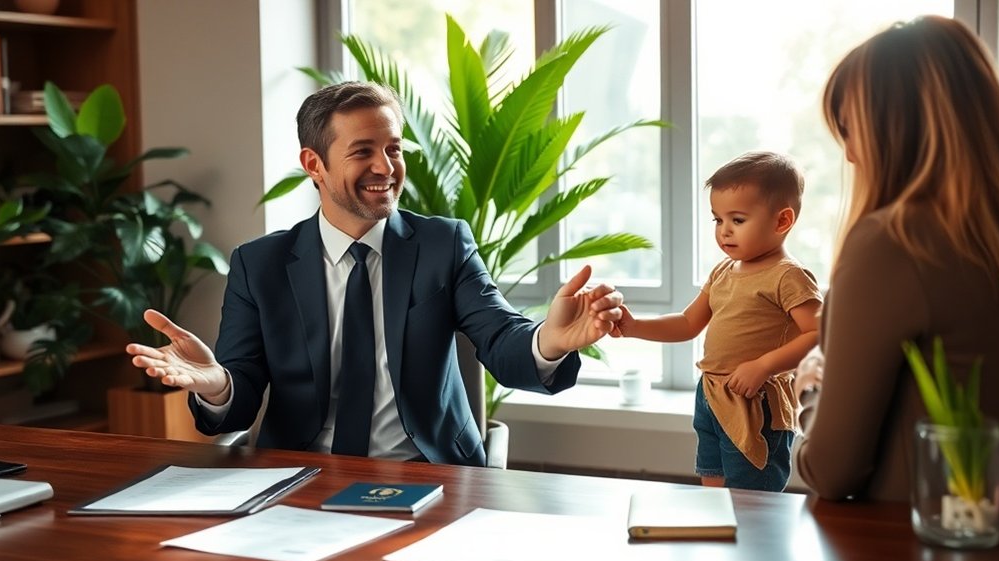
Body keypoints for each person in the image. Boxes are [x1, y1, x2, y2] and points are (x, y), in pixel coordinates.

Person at [125, 81, 624, 467]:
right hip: (299, 477)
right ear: (313, 163)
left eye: (394, 148)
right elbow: (238, 398)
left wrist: (550, 342)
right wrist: (216, 384)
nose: (386, 168)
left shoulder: (442, 244)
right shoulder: (261, 265)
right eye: (363, 151)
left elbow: (500, 339)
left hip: (428, 473)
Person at [796, 15, 999, 509]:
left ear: (897, 128)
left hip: (912, 546)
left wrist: (811, 388)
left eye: (852, 131)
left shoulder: (894, 244)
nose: (850, 156)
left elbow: (831, 471)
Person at [611, 151, 822, 491]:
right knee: (713, 481)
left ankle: (754, 543)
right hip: (710, 394)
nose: (724, 231)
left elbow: (817, 334)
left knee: (751, 496)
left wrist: (764, 366)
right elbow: (687, 322)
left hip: (754, 401)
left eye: (737, 220)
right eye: (717, 220)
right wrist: (635, 327)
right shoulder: (723, 271)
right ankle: (722, 538)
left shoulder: (788, 276)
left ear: (782, 221)